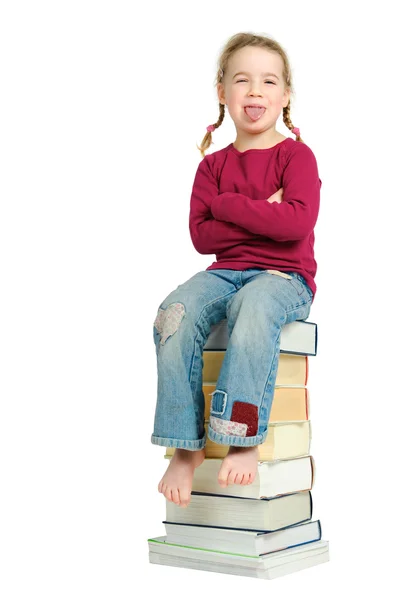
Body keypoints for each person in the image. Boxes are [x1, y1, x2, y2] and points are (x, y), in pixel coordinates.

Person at [151, 32, 322, 508]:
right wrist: (259, 212)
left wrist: (227, 208)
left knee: (253, 306)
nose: (255, 91)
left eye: (269, 81)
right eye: (242, 80)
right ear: (222, 92)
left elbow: (295, 226)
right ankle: (185, 444)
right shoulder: (213, 168)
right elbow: (203, 238)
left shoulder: (296, 157)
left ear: (285, 95)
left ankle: (242, 439)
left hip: (284, 279)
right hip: (224, 271)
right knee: (175, 313)